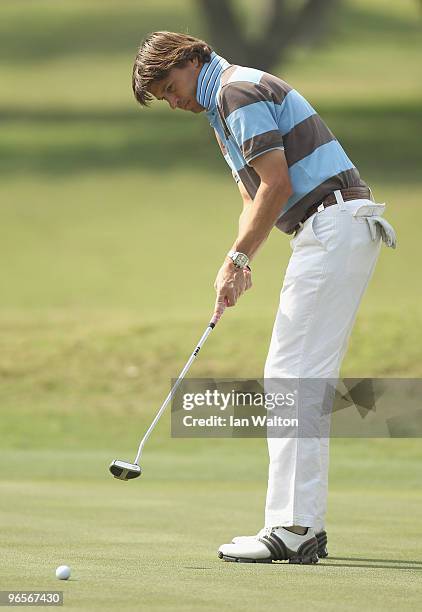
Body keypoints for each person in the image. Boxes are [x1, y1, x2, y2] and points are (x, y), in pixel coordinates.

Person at [132, 31, 397, 564]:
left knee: (292, 378)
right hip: (329, 228)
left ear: (191, 58)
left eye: (171, 85)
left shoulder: (236, 90)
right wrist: (235, 263)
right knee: (296, 377)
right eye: (164, 98)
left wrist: (241, 259)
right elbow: (253, 196)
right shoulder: (221, 108)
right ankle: (301, 526)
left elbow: (276, 185)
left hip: (333, 223)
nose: (175, 101)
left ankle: (293, 528)